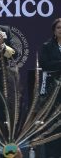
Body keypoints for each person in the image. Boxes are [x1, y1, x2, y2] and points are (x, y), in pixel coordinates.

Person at [39, 18, 61, 158]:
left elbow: (54, 64)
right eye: (59, 28)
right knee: (53, 125)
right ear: (54, 31)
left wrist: (57, 63)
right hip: (53, 92)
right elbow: (45, 64)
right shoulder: (47, 46)